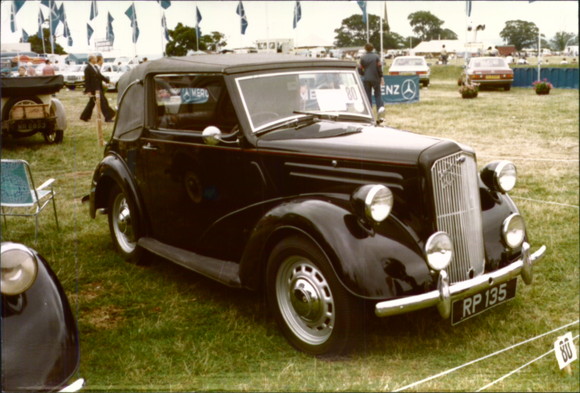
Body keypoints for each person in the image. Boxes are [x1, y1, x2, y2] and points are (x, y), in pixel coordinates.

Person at [80, 54, 115, 122]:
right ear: (91, 59)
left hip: (98, 88)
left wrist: (109, 81)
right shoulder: (87, 68)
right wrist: (88, 91)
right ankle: (108, 117)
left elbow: (100, 76)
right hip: (94, 89)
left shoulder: (95, 67)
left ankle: (84, 117)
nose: (96, 60)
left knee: (92, 103)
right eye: (95, 58)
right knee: (103, 102)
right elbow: (87, 81)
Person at [358, 43, 384, 115]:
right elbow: (379, 68)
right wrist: (381, 77)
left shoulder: (362, 57)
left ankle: (369, 111)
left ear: (365, 49)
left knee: (367, 95)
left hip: (366, 79)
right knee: (378, 95)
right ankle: (380, 110)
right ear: (373, 48)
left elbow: (359, 69)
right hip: (376, 78)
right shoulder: (376, 57)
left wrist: (364, 74)